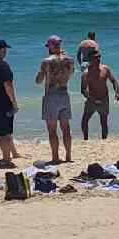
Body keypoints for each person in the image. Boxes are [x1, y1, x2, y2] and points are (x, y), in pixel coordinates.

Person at [36, 35, 75, 164]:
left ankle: (55, 157)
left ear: (51, 46)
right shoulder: (69, 60)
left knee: (52, 130)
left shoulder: (46, 61)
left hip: (51, 95)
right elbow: (71, 74)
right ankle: (68, 156)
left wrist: (43, 73)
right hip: (64, 94)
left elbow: (38, 81)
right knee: (66, 128)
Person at [80, 49, 119, 140]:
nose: (98, 59)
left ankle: (104, 139)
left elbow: (113, 81)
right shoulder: (86, 73)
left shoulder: (105, 69)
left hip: (104, 99)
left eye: (99, 57)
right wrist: (92, 99)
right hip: (92, 100)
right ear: (90, 59)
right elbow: (83, 90)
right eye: (95, 58)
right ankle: (86, 139)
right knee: (85, 120)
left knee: (104, 121)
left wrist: (117, 92)